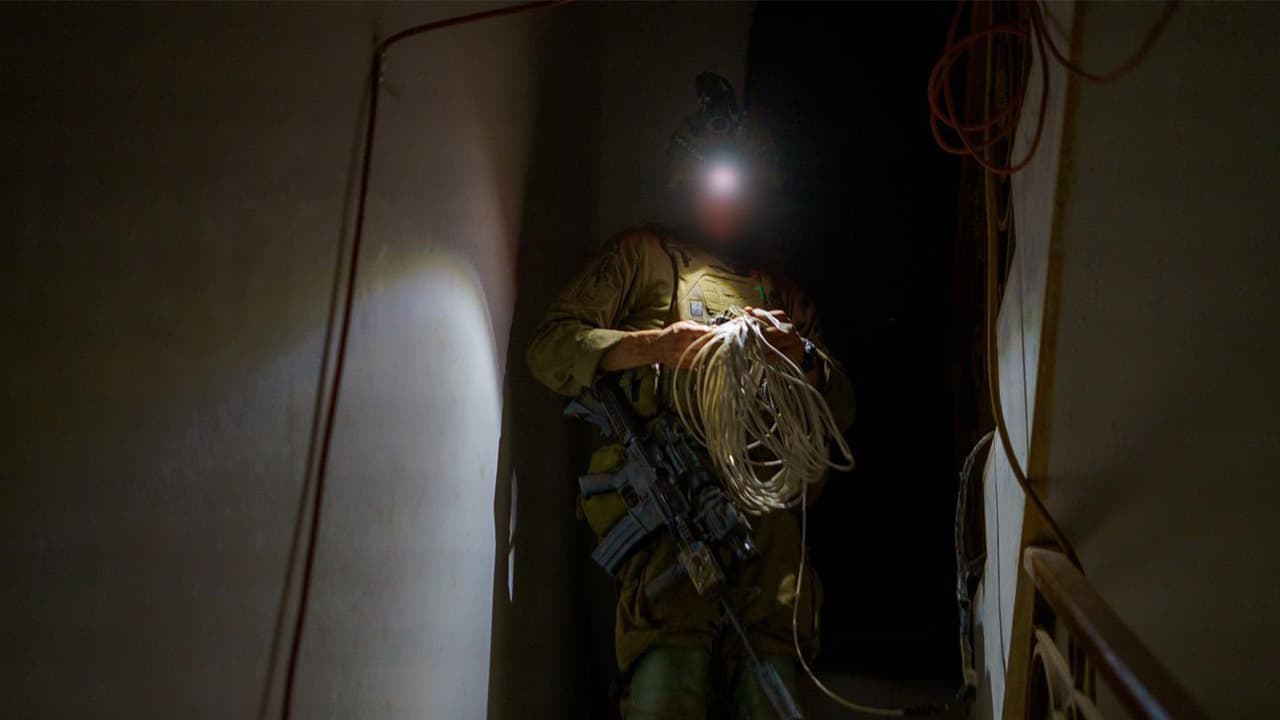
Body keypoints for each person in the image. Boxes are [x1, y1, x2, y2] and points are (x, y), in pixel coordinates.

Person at [526, 72, 854, 720]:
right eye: (713, 178)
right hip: (673, 548)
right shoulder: (642, 259)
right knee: (665, 697)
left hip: (773, 560)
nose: (726, 197)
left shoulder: (782, 299)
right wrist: (656, 346)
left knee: (771, 704)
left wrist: (804, 359)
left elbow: (839, 414)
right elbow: (551, 348)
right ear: (684, 176)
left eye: (742, 183)